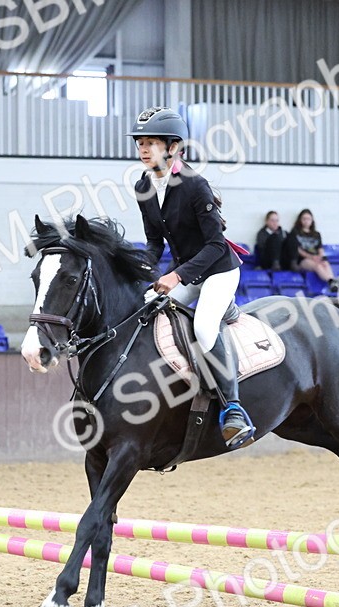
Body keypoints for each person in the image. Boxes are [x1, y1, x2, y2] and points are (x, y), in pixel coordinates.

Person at [130, 107, 256, 449]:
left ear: (173, 147)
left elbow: (216, 245)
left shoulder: (195, 185)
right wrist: (140, 271)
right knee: (140, 310)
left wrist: (176, 277)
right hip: (185, 272)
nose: (143, 149)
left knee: (202, 327)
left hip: (218, 270)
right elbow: (155, 242)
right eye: (140, 142)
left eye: (151, 143)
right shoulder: (142, 186)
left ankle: (233, 408)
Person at [286, 209, 339, 292]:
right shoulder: (295, 232)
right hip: (303, 260)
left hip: (316, 257)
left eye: (308, 219)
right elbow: (298, 249)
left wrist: (321, 257)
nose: (306, 221)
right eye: (304, 219)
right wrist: (311, 257)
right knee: (317, 266)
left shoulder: (316, 234)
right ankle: (330, 281)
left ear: (312, 220)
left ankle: (333, 282)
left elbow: (320, 248)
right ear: (300, 220)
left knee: (325, 263)